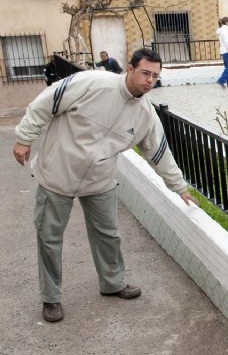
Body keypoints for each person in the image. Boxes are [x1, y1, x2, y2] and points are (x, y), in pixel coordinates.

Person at [13, 48, 197, 324]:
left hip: (100, 179)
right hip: (58, 173)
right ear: (130, 69)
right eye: (145, 73)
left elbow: (159, 153)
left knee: (108, 235)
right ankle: (51, 297)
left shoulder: (145, 114)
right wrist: (25, 137)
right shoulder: (92, 83)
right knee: (49, 238)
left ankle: (112, 283)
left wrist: (179, 187)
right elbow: (47, 101)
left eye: (155, 76)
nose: (149, 80)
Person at [216, 17, 228, 88]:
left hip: (224, 51)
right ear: (227, 22)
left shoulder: (222, 30)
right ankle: (221, 81)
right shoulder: (225, 31)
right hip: (227, 52)